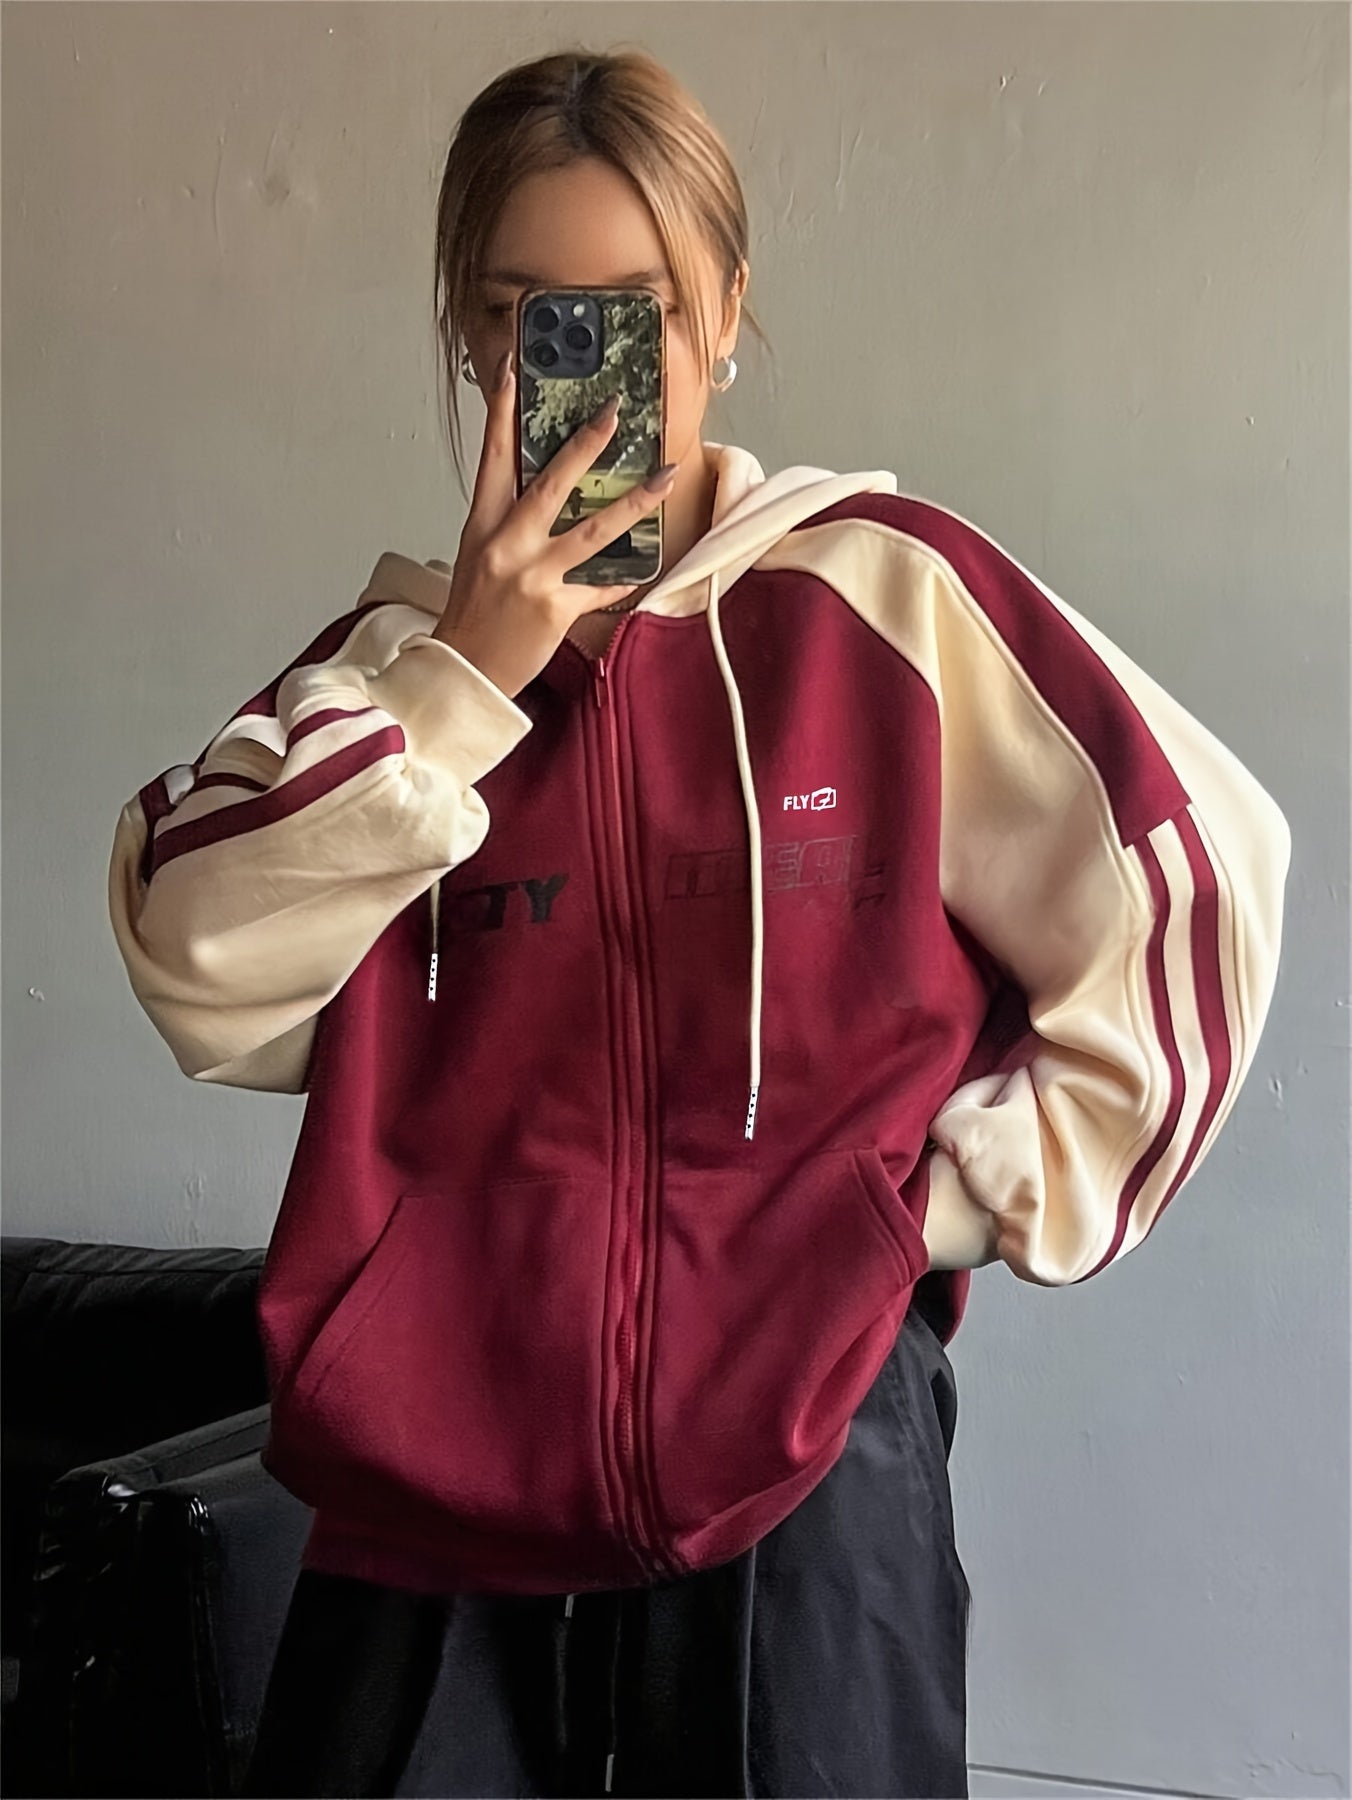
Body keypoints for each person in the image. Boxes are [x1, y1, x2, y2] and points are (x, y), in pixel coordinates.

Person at [107, 46, 1291, 1800]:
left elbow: (1195, 882)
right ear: (470, 338)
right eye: (530, 316)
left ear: (727, 312)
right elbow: (194, 960)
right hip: (426, 1465)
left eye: (639, 309)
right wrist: (466, 681)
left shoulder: (883, 598)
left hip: (809, 1457)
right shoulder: (382, 682)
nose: (588, 369)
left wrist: (920, 1214)